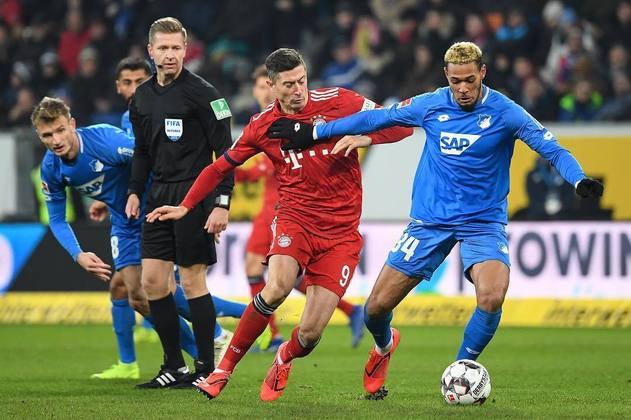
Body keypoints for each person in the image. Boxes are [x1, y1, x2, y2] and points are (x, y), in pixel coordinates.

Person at [269, 41, 604, 395]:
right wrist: (315, 132)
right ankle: (383, 347)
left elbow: (550, 147)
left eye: (470, 80)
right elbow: (377, 118)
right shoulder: (430, 104)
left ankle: (462, 368)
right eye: (456, 80)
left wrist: (578, 178)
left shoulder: (505, 111)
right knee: (376, 309)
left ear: (483, 74)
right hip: (429, 223)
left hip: (483, 223)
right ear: (446, 75)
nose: (462, 88)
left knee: (491, 296)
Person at [146, 48, 412, 401]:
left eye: (302, 80)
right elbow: (219, 167)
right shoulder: (262, 127)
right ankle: (222, 371)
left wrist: (366, 137)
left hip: (341, 234)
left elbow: (402, 126)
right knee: (277, 286)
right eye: (288, 85)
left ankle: (285, 355)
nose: (298, 90)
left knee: (311, 334)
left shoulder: (339, 100)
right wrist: (185, 206)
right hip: (294, 219)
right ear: (271, 86)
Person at [32, 96, 199, 380]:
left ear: (72, 124)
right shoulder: (51, 168)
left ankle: (228, 333)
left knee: (163, 291)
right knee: (138, 296)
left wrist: (187, 205)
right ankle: (202, 352)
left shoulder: (105, 141)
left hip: (153, 211)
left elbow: (152, 159)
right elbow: (58, 219)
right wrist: (78, 253)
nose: (55, 139)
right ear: (39, 135)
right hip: (124, 221)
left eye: (60, 130)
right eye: (47, 135)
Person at [125, 17, 234, 388]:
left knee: (191, 281)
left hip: (195, 194)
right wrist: (135, 190)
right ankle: (173, 364)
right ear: (150, 51)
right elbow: (142, 150)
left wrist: (222, 202)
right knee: (153, 283)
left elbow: (227, 153)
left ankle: (206, 366)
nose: (170, 55)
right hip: (158, 195)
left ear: (185, 50)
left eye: (176, 48)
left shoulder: (206, 94)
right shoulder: (140, 97)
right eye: (163, 48)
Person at [239, 65, 365, 351]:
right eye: (258, 87)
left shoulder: (295, 123)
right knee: (282, 278)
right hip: (272, 210)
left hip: (285, 211)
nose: (262, 92)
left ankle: (271, 336)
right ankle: (349, 310)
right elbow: (257, 168)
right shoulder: (262, 124)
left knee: (262, 272)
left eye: (265, 86)